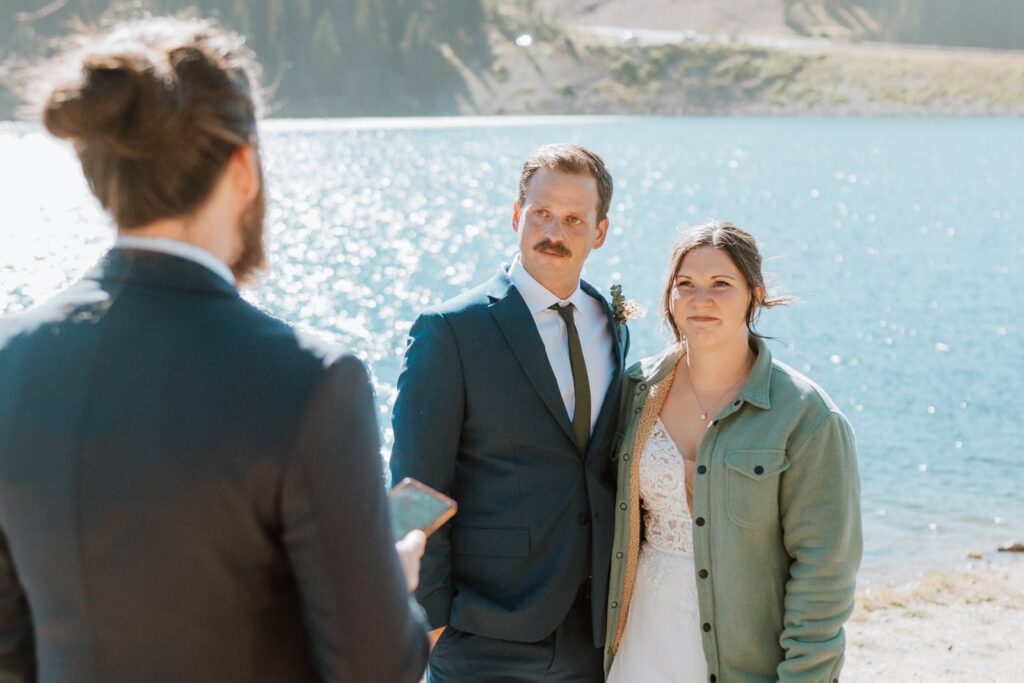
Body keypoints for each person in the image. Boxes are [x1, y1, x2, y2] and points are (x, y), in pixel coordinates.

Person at [0, 18, 428, 682]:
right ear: (244, 165)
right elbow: (375, 667)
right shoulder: (310, 382)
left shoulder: (10, 363)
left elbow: (10, 648)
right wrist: (394, 587)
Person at [390, 144, 629, 681]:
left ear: (600, 232)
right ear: (517, 215)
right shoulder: (451, 330)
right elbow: (414, 483)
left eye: (573, 219)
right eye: (541, 213)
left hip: (591, 630)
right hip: (482, 629)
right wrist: (429, 621)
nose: (554, 232)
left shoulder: (610, 323)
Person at [604, 221, 862, 683]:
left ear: (755, 295)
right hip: (639, 640)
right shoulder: (636, 392)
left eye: (721, 284)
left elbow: (825, 573)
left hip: (745, 658)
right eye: (686, 285)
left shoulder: (806, 416)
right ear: (670, 297)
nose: (700, 300)